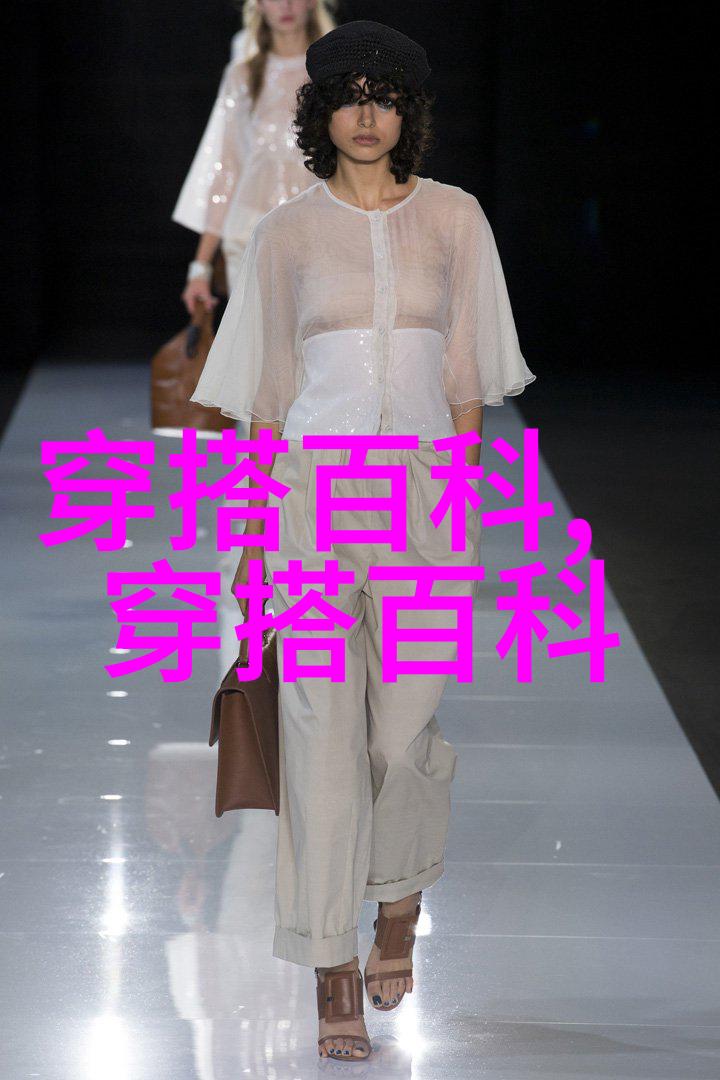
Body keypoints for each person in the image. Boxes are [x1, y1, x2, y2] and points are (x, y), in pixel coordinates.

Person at [190, 19, 536, 1061]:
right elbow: (264, 398)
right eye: (350, 95)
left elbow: (469, 380)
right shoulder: (287, 234)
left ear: (408, 112)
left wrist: (460, 500)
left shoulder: (456, 219)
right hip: (311, 500)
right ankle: (330, 961)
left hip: (424, 499)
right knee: (319, 736)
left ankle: (400, 900)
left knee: (402, 736)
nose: (368, 113)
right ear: (322, 111)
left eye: (386, 96)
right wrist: (253, 540)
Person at [173, 0, 337, 314]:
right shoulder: (242, 76)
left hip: (320, 232)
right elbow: (225, 168)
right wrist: (200, 268)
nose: (286, 5)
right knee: (256, 341)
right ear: (258, 4)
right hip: (249, 235)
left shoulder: (334, 76)